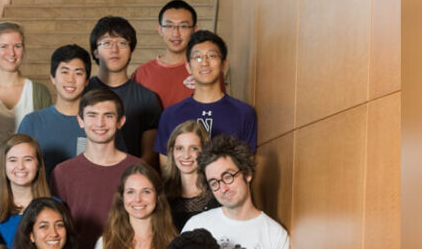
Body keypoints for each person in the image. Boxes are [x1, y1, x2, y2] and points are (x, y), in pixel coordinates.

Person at [51, 88, 143, 249]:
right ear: (80, 120)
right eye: (92, 115)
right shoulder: (63, 172)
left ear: (120, 121)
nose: (100, 124)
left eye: (108, 116)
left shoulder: (139, 169)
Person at [154, 31, 257, 155]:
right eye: (197, 57)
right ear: (188, 66)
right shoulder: (171, 115)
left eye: (212, 56)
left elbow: (247, 166)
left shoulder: (243, 113)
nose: (204, 63)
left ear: (224, 65)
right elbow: (167, 169)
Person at [88, 16, 161, 166]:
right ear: (95, 52)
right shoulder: (83, 92)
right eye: (107, 43)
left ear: (131, 50)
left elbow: (150, 154)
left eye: (122, 43)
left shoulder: (147, 98)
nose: (114, 50)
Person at [18, 45, 94, 176]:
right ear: (52, 77)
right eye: (64, 72)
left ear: (86, 80)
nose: (71, 80)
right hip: (43, 195)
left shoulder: (98, 123)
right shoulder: (32, 122)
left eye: (78, 73)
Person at [0, 21, 52, 144]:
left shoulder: (39, 92)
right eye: (4, 46)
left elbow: (47, 139)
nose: (12, 53)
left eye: (17, 46)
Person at [0, 134, 52, 248]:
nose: (20, 167)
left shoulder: (54, 206)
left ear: (38, 165)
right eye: (13, 160)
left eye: (27, 159)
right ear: (4, 165)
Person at [161, 120, 219, 231]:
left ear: (204, 151)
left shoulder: (217, 193)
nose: (186, 155)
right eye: (180, 148)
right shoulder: (161, 195)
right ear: (172, 151)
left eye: (194, 148)